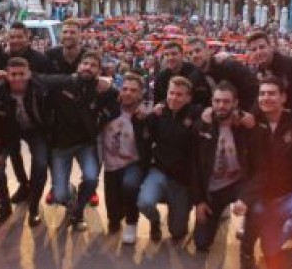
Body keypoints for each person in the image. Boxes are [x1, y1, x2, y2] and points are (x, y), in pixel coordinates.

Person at [233, 77, 292, 269]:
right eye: (262, 93)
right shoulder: (251, 124)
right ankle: (287, 227)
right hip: (265, 197)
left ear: (283, 97)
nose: (266, 97)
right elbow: (224, 110)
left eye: (272, 93)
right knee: (271, 256)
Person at [42, 51, 118, 231]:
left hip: (86, 145)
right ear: (78, 66)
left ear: (99, 71)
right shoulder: (63, 82)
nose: (88, 68)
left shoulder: (105, 89)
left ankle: (78, 212)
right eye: (85, 64)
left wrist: (110, 84)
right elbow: (38, 79)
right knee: (59, 195)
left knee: (91, 179)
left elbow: (117, 103)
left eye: (93, 66)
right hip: (60, 146)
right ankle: (71, 197)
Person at [0, 57, 52, 227]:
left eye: (22, 74)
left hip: (35, 130)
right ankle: (5, 207)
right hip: (8, 131)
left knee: (41, 164)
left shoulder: (40, 87)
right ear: (7, 75)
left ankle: (34, 206)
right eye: (13, 74)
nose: (17, 78)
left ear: (29, 74)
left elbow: (64, 81)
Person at [191, 81, 253, 253]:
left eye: (226, 102)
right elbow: (194, 166)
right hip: (212, 190)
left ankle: (248, 244)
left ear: (235, 103)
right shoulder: (201, 126)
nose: (221, 106)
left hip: (238, 184)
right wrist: (199, 201)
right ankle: (218, 211)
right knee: (201, 243)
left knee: (257, 206)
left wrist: (247, 197)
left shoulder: (245, 126)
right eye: (217, 101)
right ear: (211, 102)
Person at [138, 76, 200, 242]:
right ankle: (155, 222)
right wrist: (149, 114)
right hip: (158, 170)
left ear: (188, 98)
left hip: (182, 179)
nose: (174, 97)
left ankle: (178, 211)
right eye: (171, 93)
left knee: (178, 233)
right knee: (144, 203)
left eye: (179, 94)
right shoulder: (158, 114)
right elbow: (143, 136)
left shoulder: (197, 115)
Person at [99, 73, 150, 244]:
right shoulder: (110, 107)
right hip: (110, 163)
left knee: (130, 186)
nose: (128, 93)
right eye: (125, 89)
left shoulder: (145, 114)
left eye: (133, 90)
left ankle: (131, 222)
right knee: (113, 212)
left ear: (141, 94)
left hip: (133, 162)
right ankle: (116, 219)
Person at [185, 37, 259, 110]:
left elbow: (253, 88)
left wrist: (242, 112)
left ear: (208, 51)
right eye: (190, 53)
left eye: (198, 51)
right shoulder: (193, 78)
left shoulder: (230, 67)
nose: (194, 55)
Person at [246, 31, 292, 111]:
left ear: (270, 47)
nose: (258, 52)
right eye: (254, 50)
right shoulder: (256, 74)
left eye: (262, 47)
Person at [153, 41, 210, 107]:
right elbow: (156, 102)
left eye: (174, 54)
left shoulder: (195, 73)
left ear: (182, 55)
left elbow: (204, 100)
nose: (170, 58)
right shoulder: (161, 77)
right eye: (166, 55)